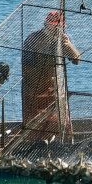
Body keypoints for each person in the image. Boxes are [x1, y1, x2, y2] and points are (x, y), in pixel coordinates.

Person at [21, 10, 81, 142]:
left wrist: (68, 45)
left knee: (61, 120)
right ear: (46, 25)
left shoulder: (61, 40)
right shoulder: (33, 39)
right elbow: (28, 68)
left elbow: (77, 60)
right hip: (34, 89)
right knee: (35, 122)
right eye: (54, 26)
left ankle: (63, 142)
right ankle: (34, 143)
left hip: (54, 89)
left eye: (60, 27)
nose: (57, 29)